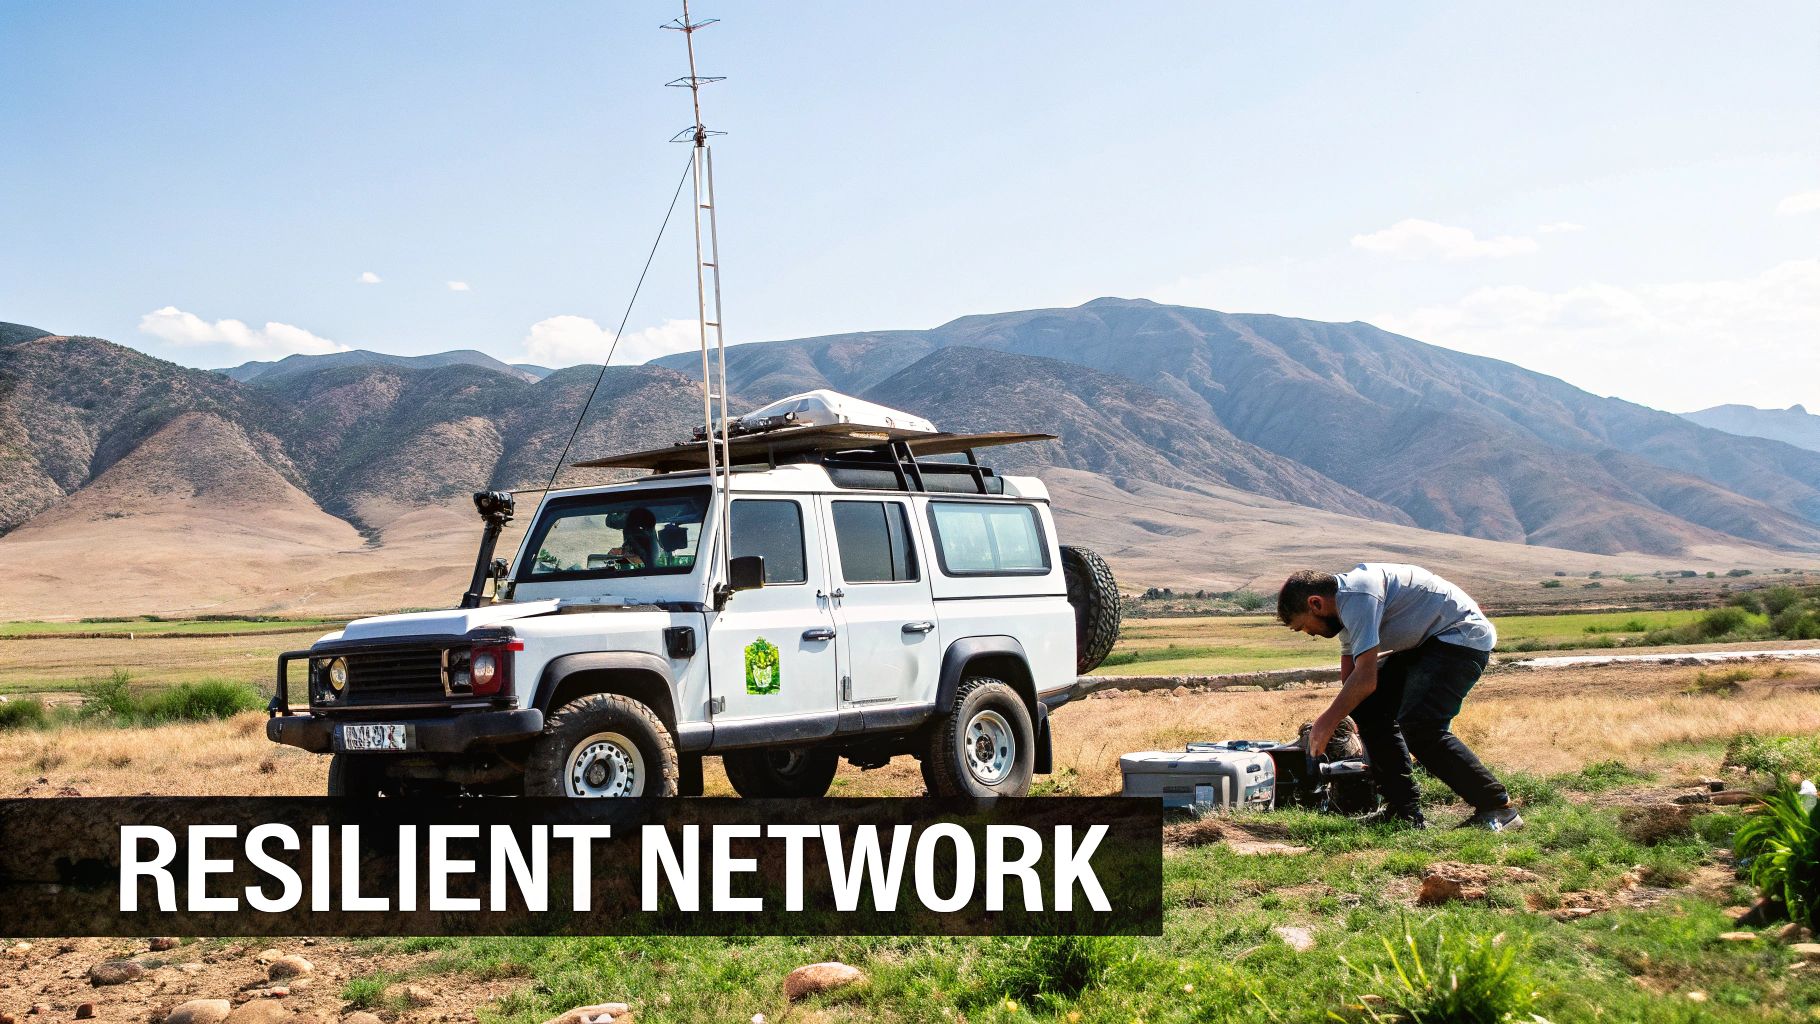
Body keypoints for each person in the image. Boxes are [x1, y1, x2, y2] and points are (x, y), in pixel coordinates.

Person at [1276, 563, 1522, 831]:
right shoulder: (1344, 611)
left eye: (1303, 627)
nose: (1309, 634)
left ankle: (1498, 808)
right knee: (1369, 708)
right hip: (1426, 644)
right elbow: (1353, 680)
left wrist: (1326, 723)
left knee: (1421, 727)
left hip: (1460, 637)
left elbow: (1365, 679)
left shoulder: (1359, 596)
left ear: (1315, 604)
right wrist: (1350, 714)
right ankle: (1403, 812)